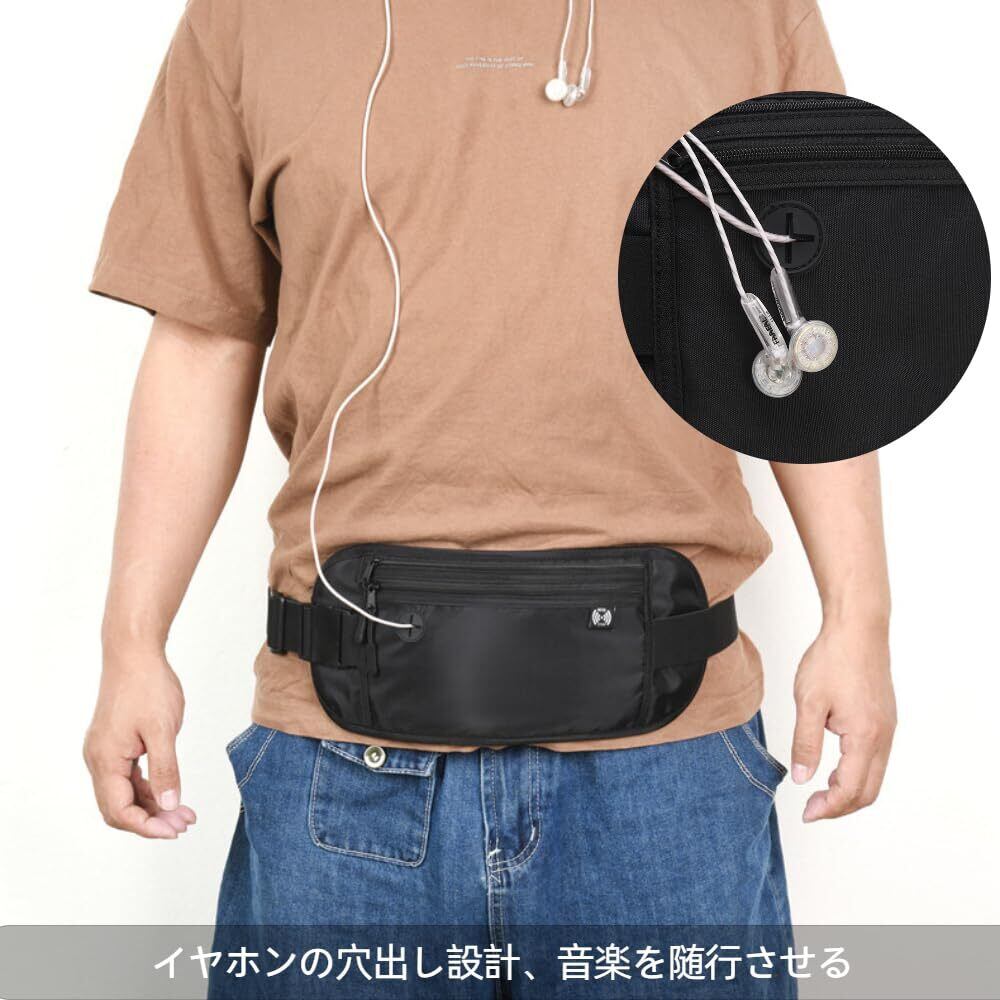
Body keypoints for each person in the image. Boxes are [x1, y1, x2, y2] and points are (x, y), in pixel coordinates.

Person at [84, 1, 894, 995]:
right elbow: (205, 333)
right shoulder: (250, 17)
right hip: (347, 758)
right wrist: (132, 643)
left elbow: (809, 337)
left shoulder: (751, 13)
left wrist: (860, 619)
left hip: (667, 761)